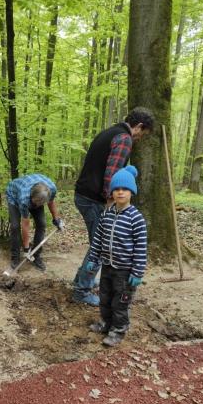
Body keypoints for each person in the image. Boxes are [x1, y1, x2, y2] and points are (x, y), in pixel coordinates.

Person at [72, 107, 154, 306]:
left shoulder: (110, 132)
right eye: (142, 134)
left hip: (84, 194)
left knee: (97, 244)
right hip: (92, 199)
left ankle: (81, 281)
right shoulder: (124, 138)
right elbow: (112, 174)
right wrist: (112, 203)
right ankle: (81, 291)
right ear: (139, 127)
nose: (139, 138)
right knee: (100, 246)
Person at [86, 165, 147, 347]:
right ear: (112, 192)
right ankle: (105, 323)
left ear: (132, 192)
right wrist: (92, 258)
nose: (120, 192)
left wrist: (137, 272)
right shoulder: (107, 214)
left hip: (125, 271)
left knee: (120, 302)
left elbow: (141, 248)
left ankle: (118, 330)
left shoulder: (136, 218)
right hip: (107, 267)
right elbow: (98, 238)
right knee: (104, 297)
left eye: (125, 189)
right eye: (117, 189)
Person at [5, 174, 64, 271]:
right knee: (15, 226)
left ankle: (36, 256)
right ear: (32, 196)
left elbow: (51, 202)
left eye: (40, 203)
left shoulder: (51, 189)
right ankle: (15, 258)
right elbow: (25, 224)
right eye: (36, 203)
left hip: (37, 195)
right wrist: (26, 248)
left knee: (42, 224)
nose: (37, 206)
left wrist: (56, 219)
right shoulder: (24, 198)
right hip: (13, 196)